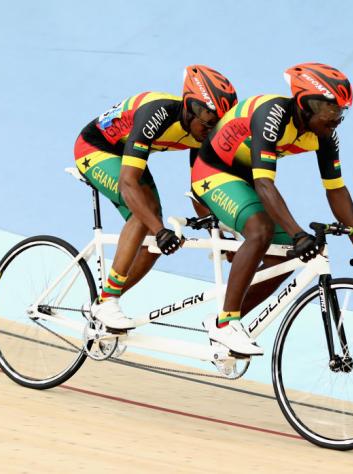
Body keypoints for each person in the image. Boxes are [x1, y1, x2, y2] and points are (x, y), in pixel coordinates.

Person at [191, 62, 353, 355]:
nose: (337, 119)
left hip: (246, 177)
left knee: (287, 256)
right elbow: (265, 185)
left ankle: (224, 319)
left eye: (341, 112)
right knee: (261, 230)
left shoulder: (326, 135)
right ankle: (224, 325)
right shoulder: (273, 115)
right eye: (331, 111)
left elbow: (336, 189)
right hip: (213, 172)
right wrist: (297, 233)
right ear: (307, 104)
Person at [73, 65, 237, 330]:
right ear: (189, 106)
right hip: (96, 148)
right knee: (145, 214)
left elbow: (200, 188)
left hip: (126, 154)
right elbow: (128, 184)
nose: (211, 129)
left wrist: (218, 237)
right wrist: (160, 230)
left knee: (153, 244)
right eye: (207, 121)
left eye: (217, 123)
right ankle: (107, 303)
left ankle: (101, 304)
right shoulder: (157, 113)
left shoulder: (204, 132)